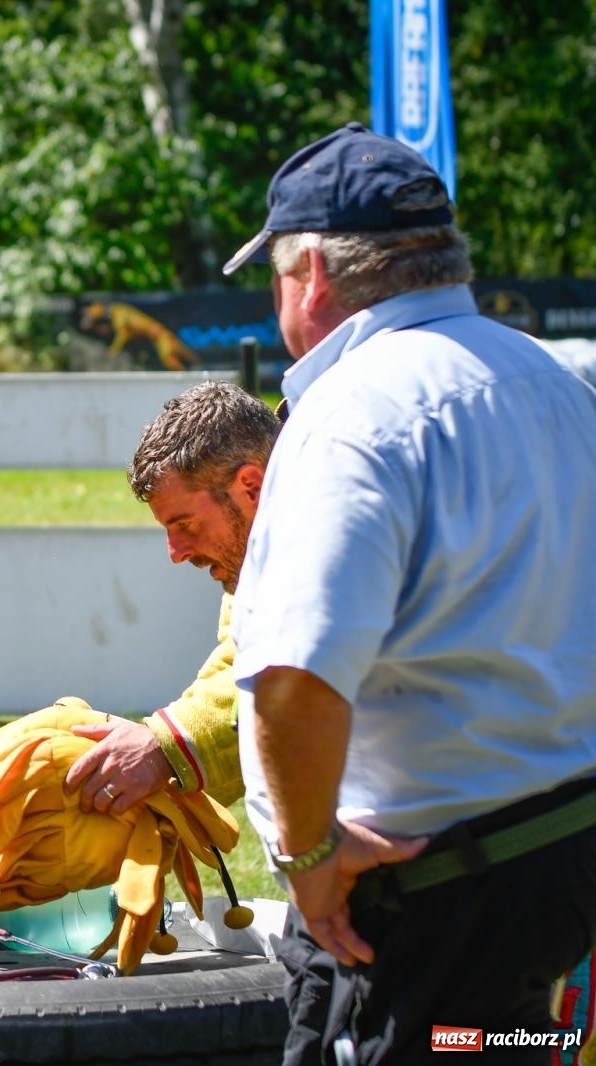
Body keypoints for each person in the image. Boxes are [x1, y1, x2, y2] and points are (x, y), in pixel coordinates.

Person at [224, 122, 596, 1063]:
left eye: (273, 276)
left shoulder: (350, 416)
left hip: (434, 906)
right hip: (561, 861)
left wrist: (307, 864)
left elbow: (297, 681)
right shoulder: (552, 381)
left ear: (309, 273)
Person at [63, 381, 279, 815]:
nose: (176, 554)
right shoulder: (262, 538)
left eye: (186, 524)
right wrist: (160, 744)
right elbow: (242, 655)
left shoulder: (335, 526)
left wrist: (164, 747)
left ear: (251, 487)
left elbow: (290, 667)